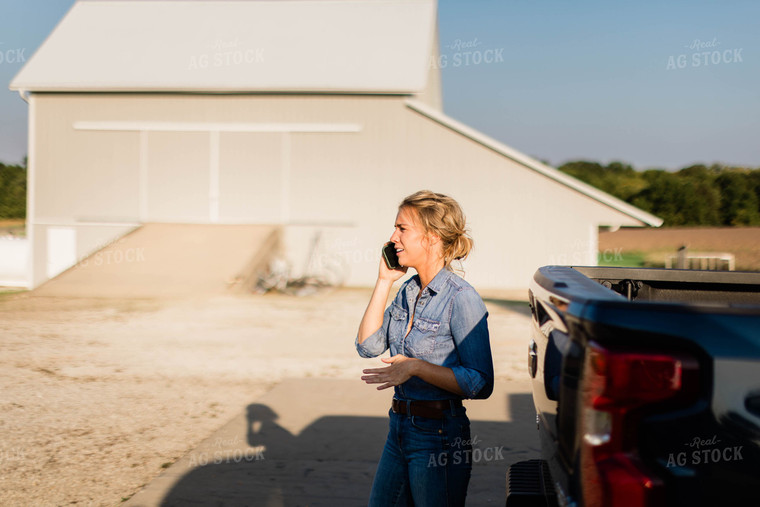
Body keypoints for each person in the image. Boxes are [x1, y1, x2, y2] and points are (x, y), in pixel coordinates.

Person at [356, 190, 494, 506]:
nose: (392, 237)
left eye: (402, 228)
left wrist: (417, 367)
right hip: (400, 429)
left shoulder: (461, 298)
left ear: (431, 239)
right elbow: (368, 346)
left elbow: (480, 383)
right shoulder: (407, 290)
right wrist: (383, 282)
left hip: (440, 437)